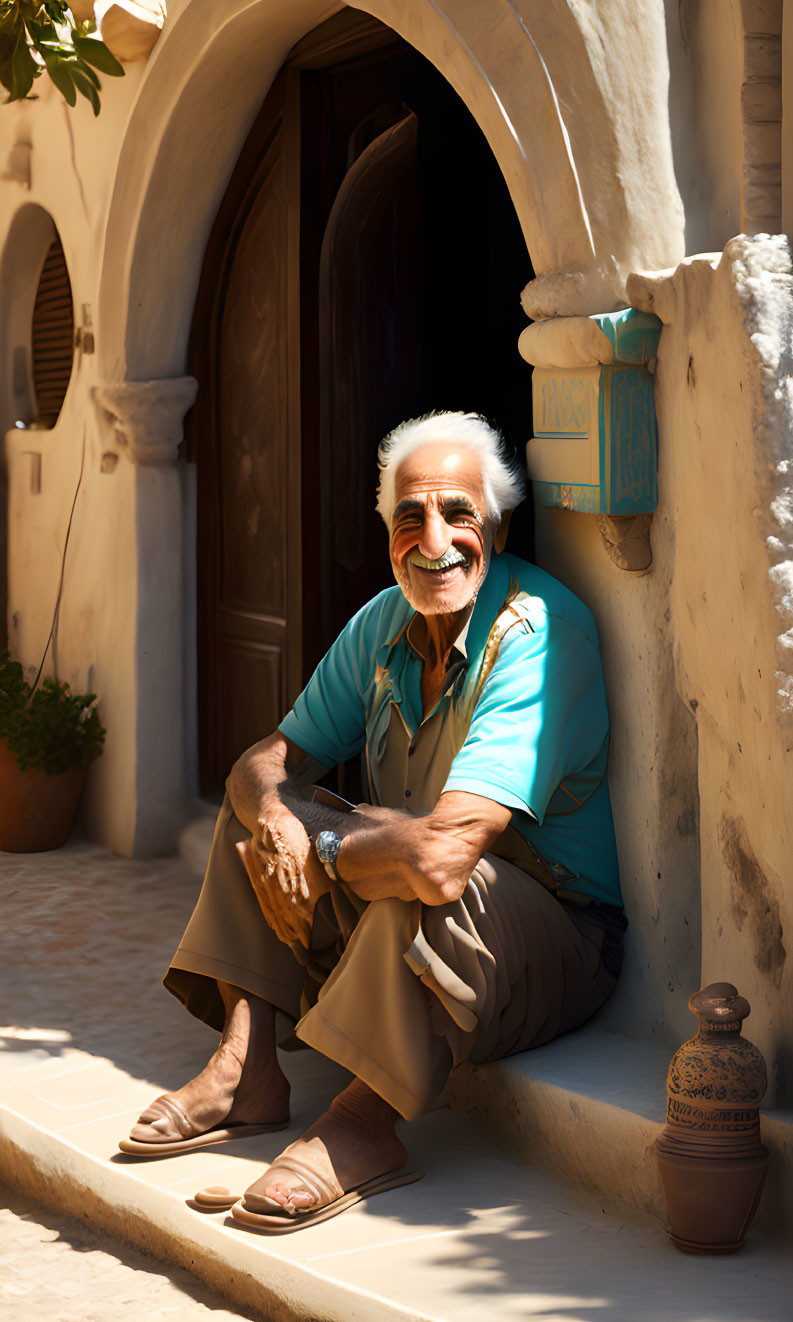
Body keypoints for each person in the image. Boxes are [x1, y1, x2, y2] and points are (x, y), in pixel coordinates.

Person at [120, 411, 625, 1233]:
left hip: (555, 934)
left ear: (495, 524)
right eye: (409, 518)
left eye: (458, 513)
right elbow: (263, 759)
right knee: (261, 811)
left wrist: (321, 843)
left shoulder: (536, 633)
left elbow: (444, 860)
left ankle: (360, 1124)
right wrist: (286, 826)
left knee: (417, 879)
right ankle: (247, 1069)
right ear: (386, 531)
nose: (434, 542)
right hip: (414, 883)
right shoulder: (382, 623)